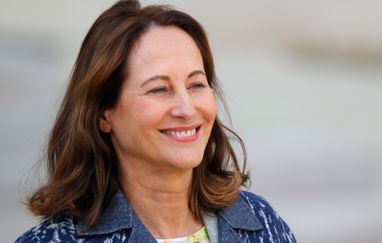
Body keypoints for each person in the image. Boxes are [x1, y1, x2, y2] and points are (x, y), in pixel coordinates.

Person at [16, 1, 297, 242]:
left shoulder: (263, 223)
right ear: (104, 113)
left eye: (196, 84)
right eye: (159, 89)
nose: (186, 109)